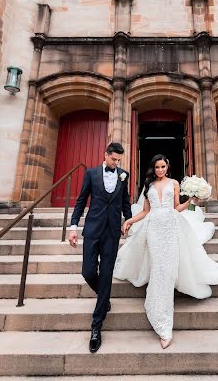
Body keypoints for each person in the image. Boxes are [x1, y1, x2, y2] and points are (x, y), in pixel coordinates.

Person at [114, 154, 218, 349]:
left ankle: (163, 318)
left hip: (170, 226)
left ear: (167, 167)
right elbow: (145, 212)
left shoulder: (175, 183)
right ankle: (160, 317)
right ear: (153, 168)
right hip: (153, 228)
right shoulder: (148, 186)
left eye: (162, 167)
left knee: (167, 269)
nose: (160, 170)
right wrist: (128, 221)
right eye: (157, 167)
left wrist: (192, 201)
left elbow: (177, 207)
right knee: (159, 267)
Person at [68, 142, 131, 353]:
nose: (116, 163)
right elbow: (80, 200)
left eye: (118, 160)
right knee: (87, 272)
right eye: (113, 159)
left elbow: (125, 202)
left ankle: (96, 327)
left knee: (106, 274)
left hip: (112, 232)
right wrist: (73, 226)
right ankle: (104, 298)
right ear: (105, 155)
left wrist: (128, 221)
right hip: (93, 230)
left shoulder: (124, 175)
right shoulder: (91, 173)